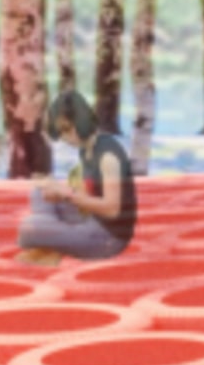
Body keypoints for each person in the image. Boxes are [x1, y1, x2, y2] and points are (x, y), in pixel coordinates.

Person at [15, 90, 137, 266]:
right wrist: (59, 193)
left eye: (67, 129)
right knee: (39, 193)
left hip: (108, 237)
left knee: (30, 229)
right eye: (61, 132)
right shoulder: (86, 150)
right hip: (91, 220)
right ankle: (52, 241)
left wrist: (67, 195)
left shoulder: (107, 156)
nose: (65, 138)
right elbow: (86, 196)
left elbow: (112, 209)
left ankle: (50, 242)